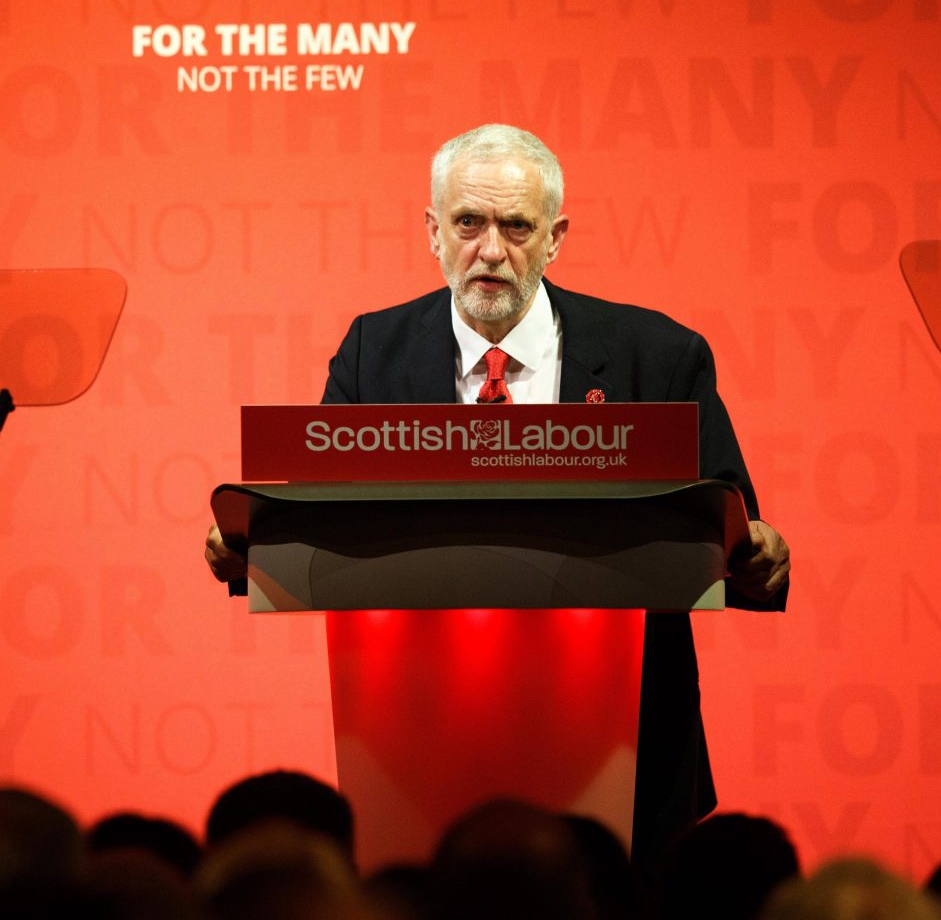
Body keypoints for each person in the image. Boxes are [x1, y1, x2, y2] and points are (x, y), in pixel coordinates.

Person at [204, 123, 790, 875]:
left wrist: (761, 550)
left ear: (555, 237)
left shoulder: (659, 354)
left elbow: (734, 524)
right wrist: (247, 542)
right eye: (468, 223)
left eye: (517, 227)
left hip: (625, 750)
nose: (490, 250)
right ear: (432, 231)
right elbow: (322, 518)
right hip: (419, 743)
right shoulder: (370, 352)